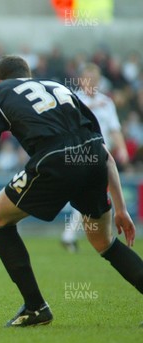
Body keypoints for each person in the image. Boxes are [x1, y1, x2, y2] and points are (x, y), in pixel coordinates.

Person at [0, 55, 142, 327]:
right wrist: (121, 209)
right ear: (27, 76)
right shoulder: (59, 87)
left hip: (54, 161)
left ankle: (35, 307)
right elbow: (103, 151)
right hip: (92, 159)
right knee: (105, 243)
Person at [61, 63, 129, 252]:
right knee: (89, 193)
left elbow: (115, 129)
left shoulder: (107, 103)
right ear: (81, 81)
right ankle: (88, 236)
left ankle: (71, 235)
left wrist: (122, 148)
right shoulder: (74, 99)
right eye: (87, 79)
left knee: (89, 193)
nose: (90, 82)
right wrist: (91, 105)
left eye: (94, 79)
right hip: (81, 153)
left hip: (102, 156)